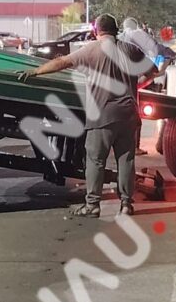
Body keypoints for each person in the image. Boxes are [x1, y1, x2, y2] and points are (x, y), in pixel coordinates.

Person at [17, 14, 154, 217]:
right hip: (128, 114)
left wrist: (36, 72)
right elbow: (153, 71)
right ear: (115, 30)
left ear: (97, 31)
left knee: (96, 160)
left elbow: (62, 62)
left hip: (102, 115)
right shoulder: (130, 49)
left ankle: (92, 205)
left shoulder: (91, 49)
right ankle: (126, 204)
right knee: (126, 160)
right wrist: (137, 85)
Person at [119, 17, 176, 155]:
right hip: (135, 79)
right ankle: (134, 147)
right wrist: (161, 69)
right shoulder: (138, 35)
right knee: (134, 115)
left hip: (116, 80)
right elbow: (162, 52)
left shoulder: (119, 38)